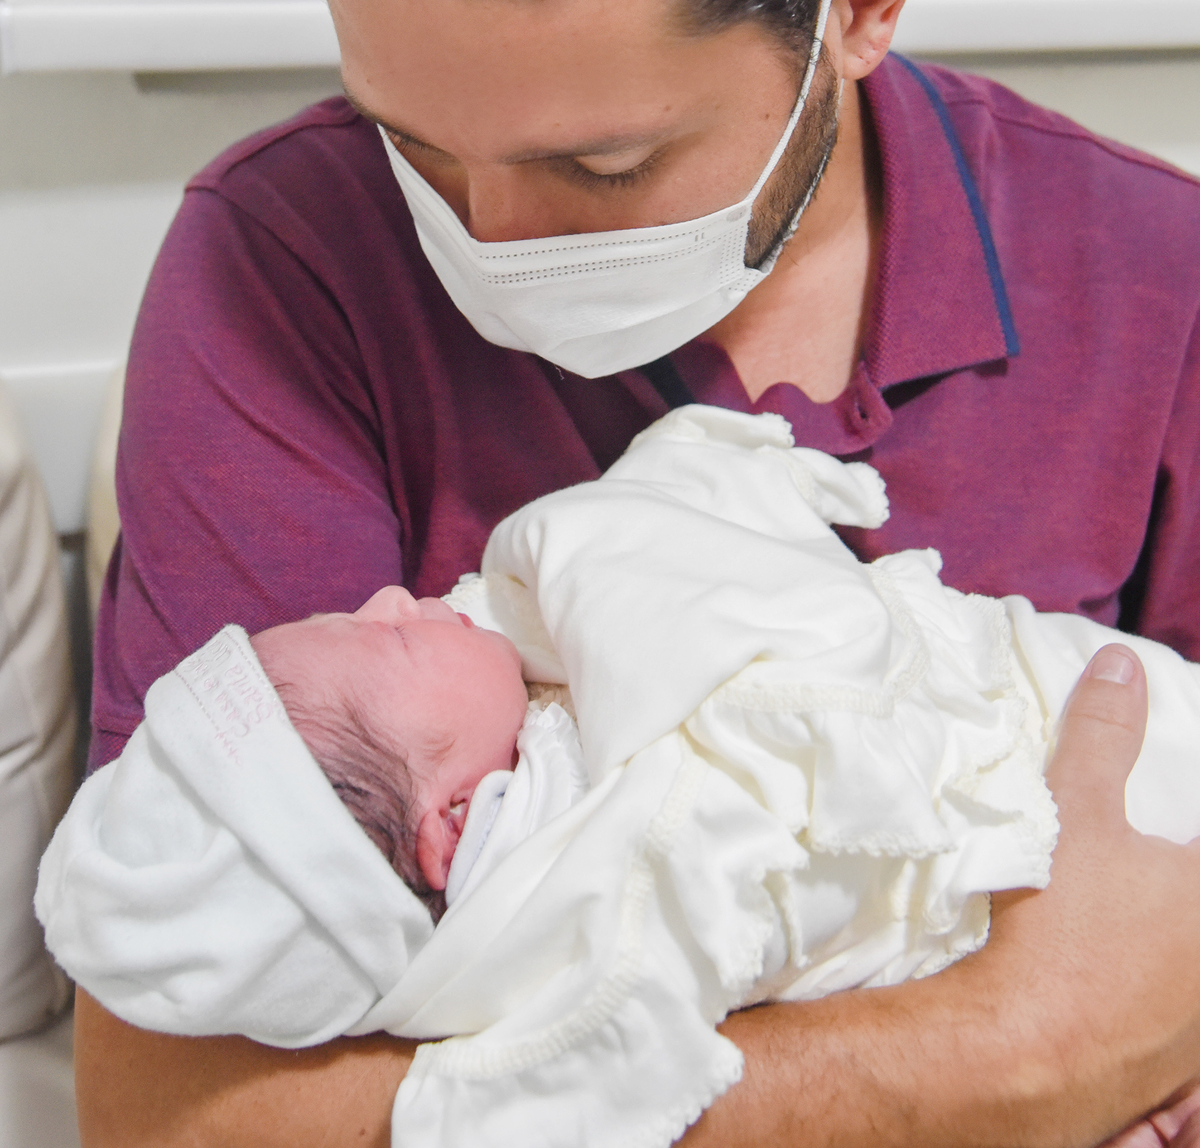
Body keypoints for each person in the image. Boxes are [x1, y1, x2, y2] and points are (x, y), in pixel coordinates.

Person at [76, 0, 1200, 1144]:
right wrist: (1013, 1052)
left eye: (602, 167)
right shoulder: (289, 264)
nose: (491, 237)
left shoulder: (1149, 286)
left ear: (860, 1)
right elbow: (181, 1116)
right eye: (413, 141)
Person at [66, 412, 1200, 1148]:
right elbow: (561, 1085)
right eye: (392, 640)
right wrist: (1030, 1045)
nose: (394, 598)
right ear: (450, 826)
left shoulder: (1152, 253)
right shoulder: (600, 880)